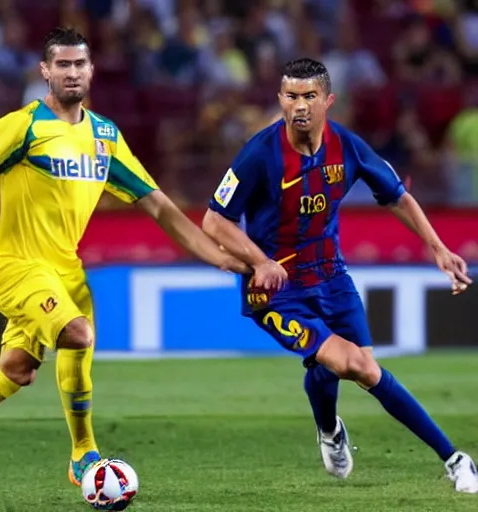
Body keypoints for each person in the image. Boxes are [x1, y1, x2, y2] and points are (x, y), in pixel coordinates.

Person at [0, 27, 284, 487]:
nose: (71, 72)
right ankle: (83, 455)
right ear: (45, 71)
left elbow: (159, 205)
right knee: (77, 333)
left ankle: (81, 454)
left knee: (18, 369)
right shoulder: (22, 126)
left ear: (91, 71)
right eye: (62, 64)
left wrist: (222, 258)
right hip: (15, 264)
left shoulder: (104, 137)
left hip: (64, 271)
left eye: (79, 64)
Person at [202, 57, 477, 493]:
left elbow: (398, 197)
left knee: (342, 366)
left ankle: (329, 430)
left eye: (310, 96)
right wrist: (261, 262)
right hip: (278, 292)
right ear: (280, 100)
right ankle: (456, 459)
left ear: (328, 100)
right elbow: (214, 221)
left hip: (333, 277)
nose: (300, 106)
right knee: (361, 366)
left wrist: (438, 247)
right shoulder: (260, 153)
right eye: (291, 96)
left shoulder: (347, 147)